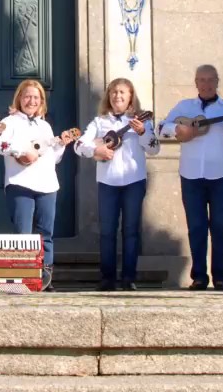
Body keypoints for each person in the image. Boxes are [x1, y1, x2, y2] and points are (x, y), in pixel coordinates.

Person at [158, 65, 223, 291]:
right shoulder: (184, 107)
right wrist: (179, 131)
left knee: (220, 225)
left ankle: (220, 276)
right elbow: (160, 129)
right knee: (196, 226)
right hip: (191, 175)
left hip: (222, 175)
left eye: (210, 80)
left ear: (218, 82)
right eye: (202, 80)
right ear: (196, 83)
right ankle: (199, 275)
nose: (206, 84)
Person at [78, 78, 159, 291]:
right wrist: (96, 151)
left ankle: (129, 277)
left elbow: (154, 149)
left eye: (122, 92)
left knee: (131, 230)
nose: (118, 96)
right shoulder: (99, 122)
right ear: (109, 96)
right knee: (107, 231)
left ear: (131, 96)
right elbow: (79, 145)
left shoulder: (141, 122)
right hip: (108, 181)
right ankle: (107, 278)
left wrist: (142, 132)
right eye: (114, 92)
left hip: (134, 180)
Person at [0, 79, 77, 292]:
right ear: (19, 99)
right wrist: (20, 153)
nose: (31, 101)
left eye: (35, 97)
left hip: (47, 184)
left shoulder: (45, 125)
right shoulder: (9, 122)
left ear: (41, 102)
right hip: (20, 183)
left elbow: (52, 158)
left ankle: (45, 276)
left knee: (45, 232)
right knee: (23, 234)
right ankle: (24, 275)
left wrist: (61, 144)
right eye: (27, 96)